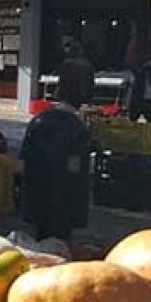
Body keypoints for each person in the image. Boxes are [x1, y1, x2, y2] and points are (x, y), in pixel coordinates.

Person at [21, 101, 92, 242]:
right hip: (66, 190)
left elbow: (26, 154)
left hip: (40, 186)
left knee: (43, 223)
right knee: (62, 227)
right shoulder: (76, 125)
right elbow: (79, 159)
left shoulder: (40, 122)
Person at [56, 40, 95, 109]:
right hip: (84, 98)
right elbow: (91, 83)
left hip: (68, 98)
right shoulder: (88, 64)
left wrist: (60, 94)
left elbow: (62, 81)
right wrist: (90, 99)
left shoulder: (67, 64)